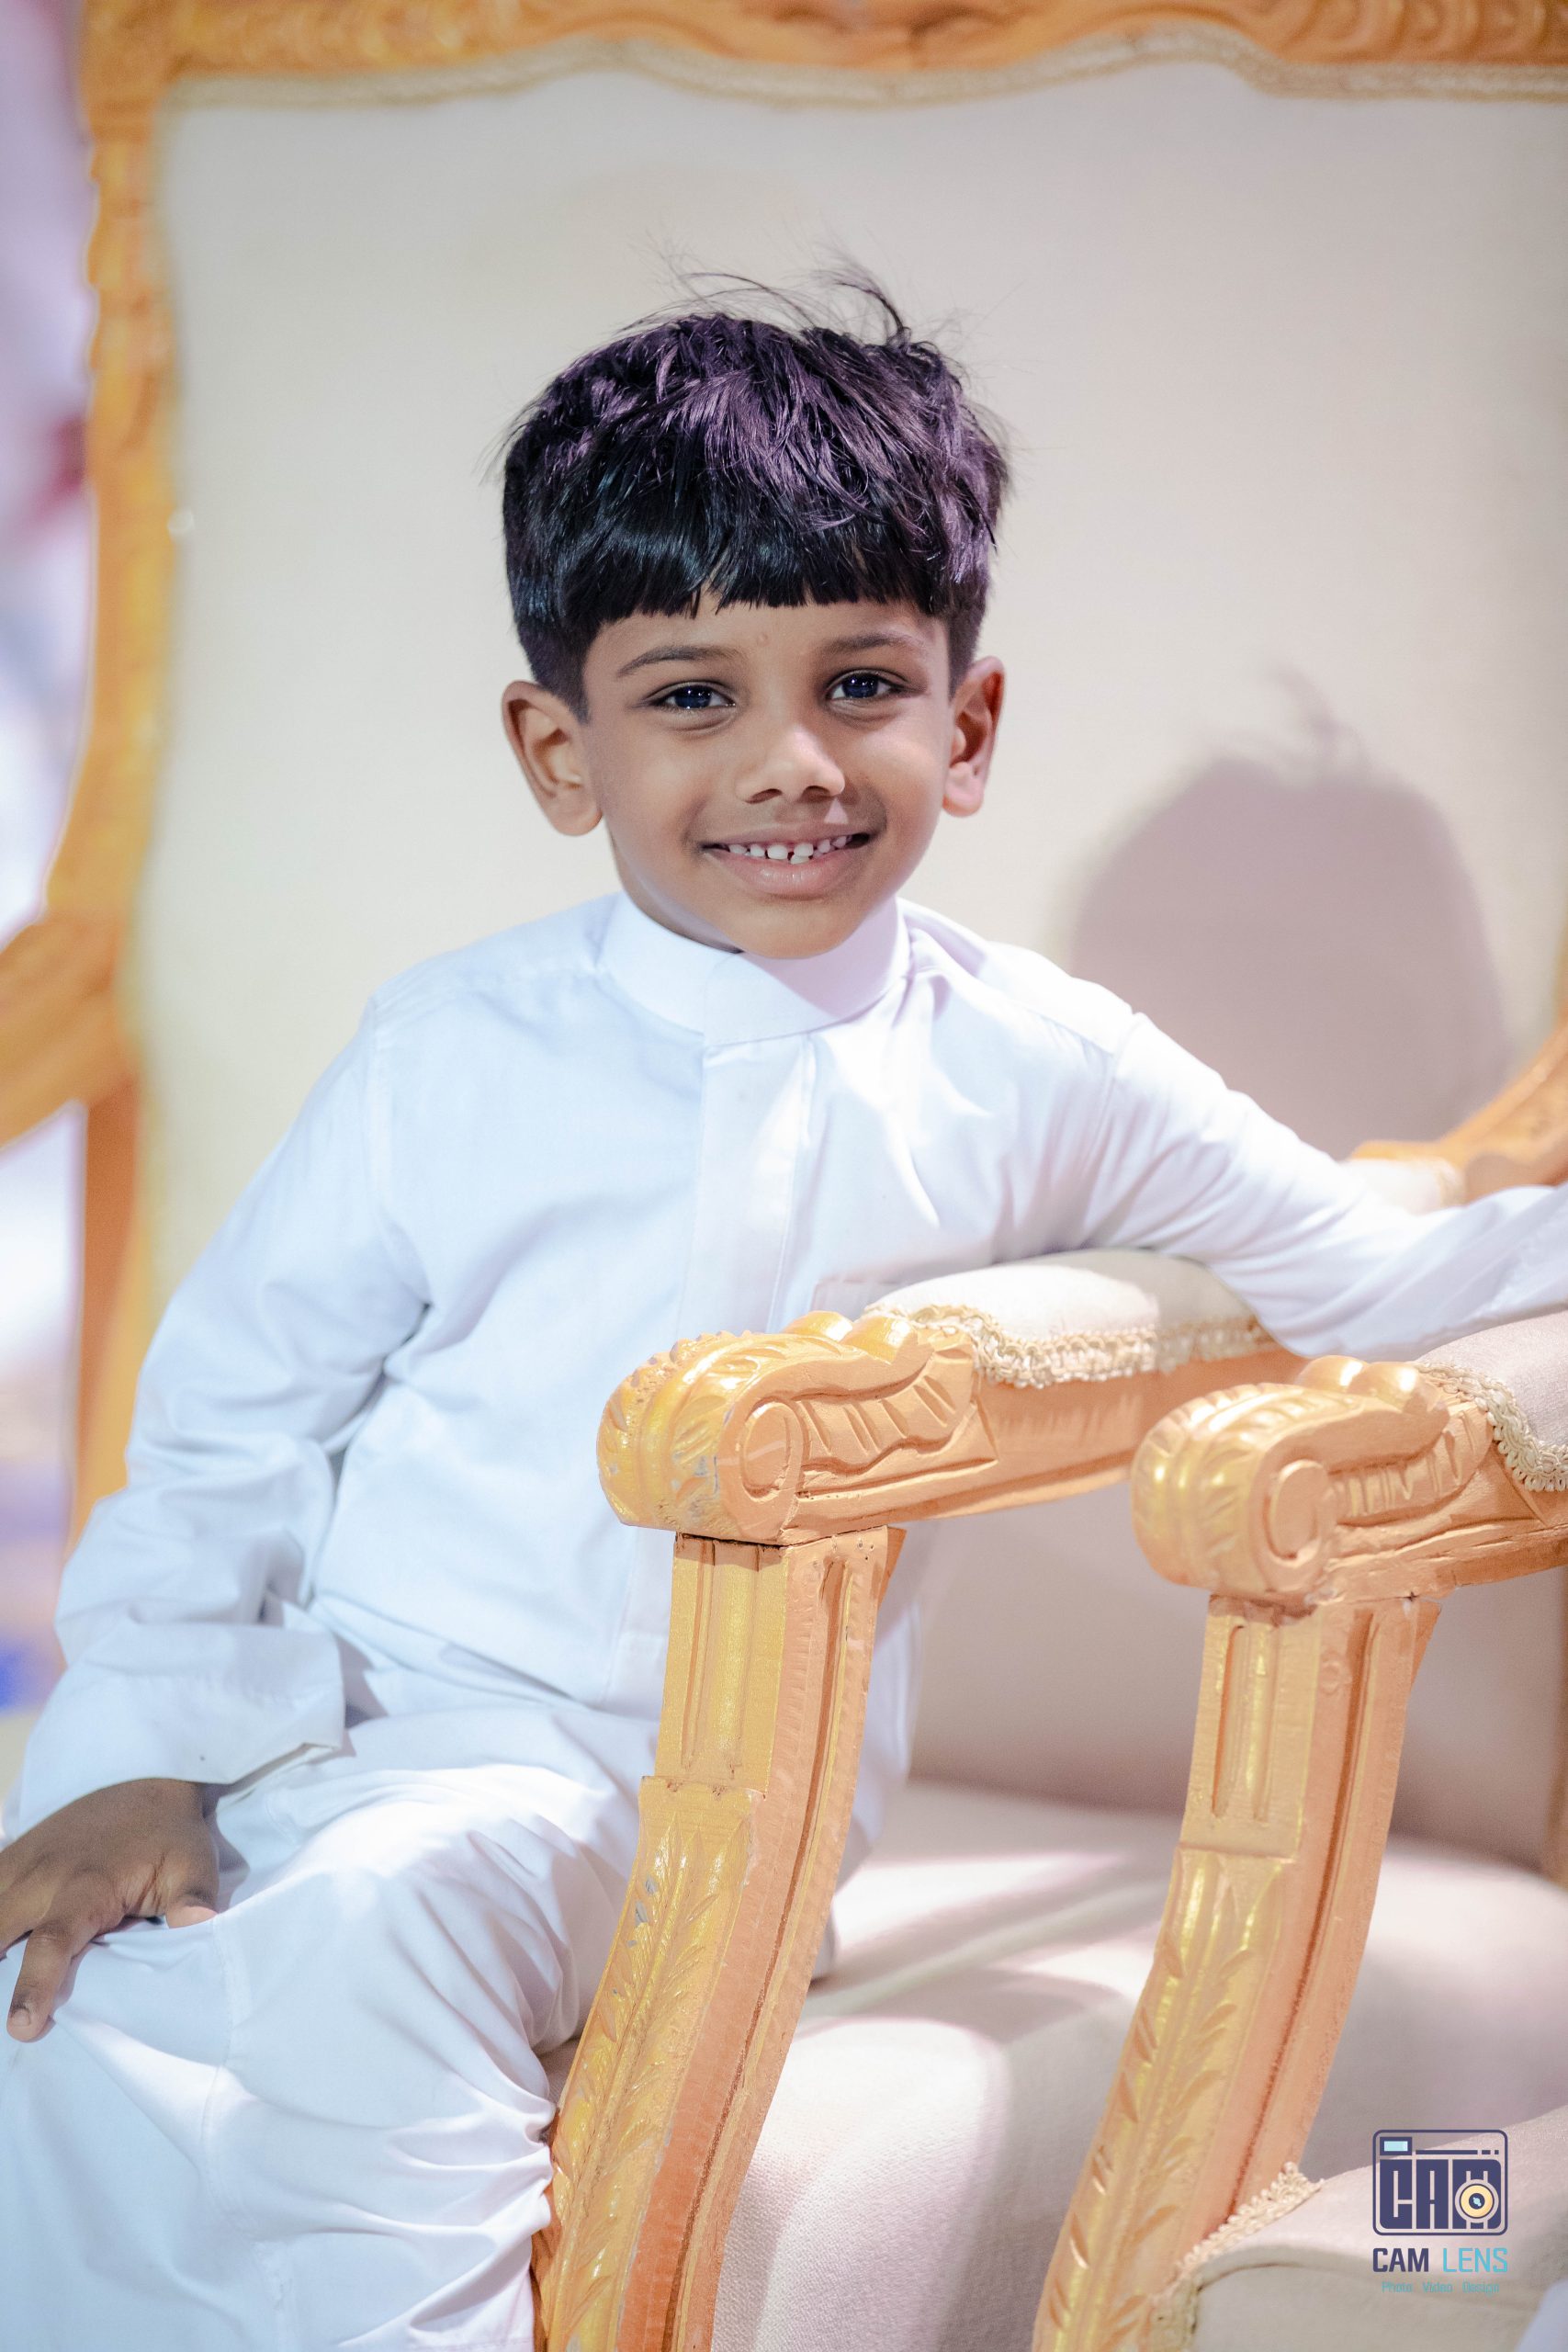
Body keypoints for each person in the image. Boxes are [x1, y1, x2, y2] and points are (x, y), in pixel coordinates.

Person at [1, 278, 1565, 2352]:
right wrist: (147, 1755)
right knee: (83, 1990)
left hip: (689, 1786)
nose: (792, 763)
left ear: (964, 728)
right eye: (691, 696)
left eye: (860, 682)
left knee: (368, 1940)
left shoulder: (1034, 1059)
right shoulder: (445, 1051)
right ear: (559, 750)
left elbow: (1378, 1272)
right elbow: (234, 1419)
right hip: (339, 1724)